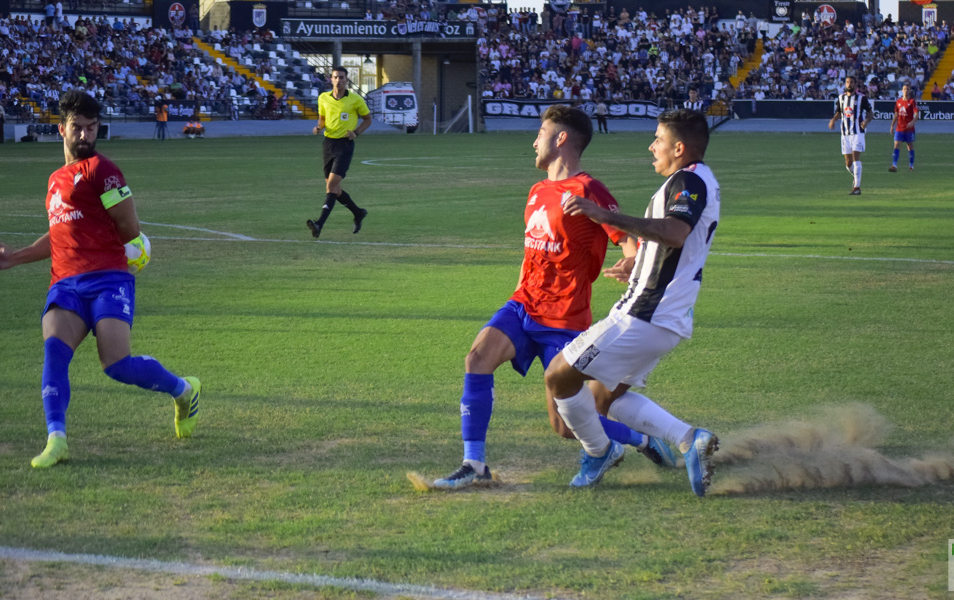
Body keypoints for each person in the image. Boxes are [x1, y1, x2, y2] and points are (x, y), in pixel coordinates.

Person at [428, 105, 678, 490]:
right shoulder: (537, 191)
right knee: (477, 357)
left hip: (564, 318)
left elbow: (628, 238)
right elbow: (532, 250)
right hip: (524, 305)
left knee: (565, 427)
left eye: (541, 132)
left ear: (561, 139)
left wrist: (631, 261)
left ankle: (642, 439)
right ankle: (473, 464)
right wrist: (517, 297)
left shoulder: (587, 190)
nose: (533, 141)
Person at [0, 91, 201, 469]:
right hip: (65, 283)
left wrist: (112, 247)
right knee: (54, 353)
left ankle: (184, 390)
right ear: (61, 130)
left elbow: (130, 227)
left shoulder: (104, 170)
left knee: (116, 364)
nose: (84, 136)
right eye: (77, 128)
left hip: (108, 279)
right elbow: (57, 235)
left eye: (91, 128)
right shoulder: (54, 181)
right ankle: (57, 439)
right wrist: (14, 258)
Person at [543, 109, 720, 496]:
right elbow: (677, 245)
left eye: (658, 139)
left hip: (645, 314)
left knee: (558, 376)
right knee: (602, 399)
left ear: (679, 147)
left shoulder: (688, 180)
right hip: (662, 317)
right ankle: (690, 439)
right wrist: (638, 261)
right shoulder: (691, 180)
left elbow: (674, 233)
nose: (651, 145)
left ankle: (599, 452)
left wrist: (604, 215)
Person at [307, 66, 370, 237]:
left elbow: (368, 119)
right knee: (333, 188)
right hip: (328, 144)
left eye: (342, 77)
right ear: (331, 79)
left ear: (346, 79)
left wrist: (356, 132)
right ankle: (358, 213)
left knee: (331, 185)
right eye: (335, 77)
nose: (338, 80)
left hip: (345, 145)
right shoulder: (323, 98)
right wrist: (319, 127)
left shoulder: (355, 99)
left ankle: (319, 224)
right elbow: (322, 118)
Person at [827, 76, 872, 195]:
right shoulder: (841, 98)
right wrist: (833, 120)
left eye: (851, 82)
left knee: (856, 159)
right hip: (845, 134)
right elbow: (839, 113)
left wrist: (866, 121)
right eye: (847, 82)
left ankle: (857, 188)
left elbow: (870, 112)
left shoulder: (861, 98)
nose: (849, 84)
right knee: (848, 164)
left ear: (856, 84)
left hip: (857, 132)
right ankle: (857, 178)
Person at [888, 83, 918, 172]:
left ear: (909, 91)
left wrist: (912, 122)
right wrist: (892, 125)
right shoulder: (898, 102)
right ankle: (894, 165)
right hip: (899, 128)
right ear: (902, 90)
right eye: (904, 89)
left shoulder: (912, 102)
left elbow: (916, 114)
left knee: (910, 146)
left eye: (907, 89)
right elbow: (896, 114)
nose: (906, 90)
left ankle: (911, 165)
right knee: (896, 145)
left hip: (909, 129)